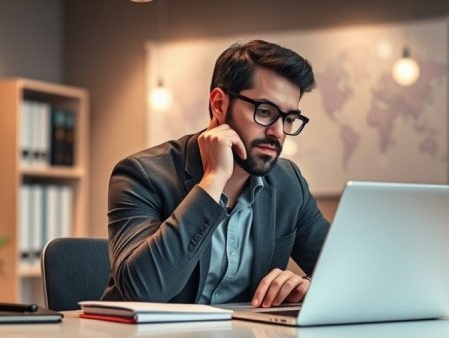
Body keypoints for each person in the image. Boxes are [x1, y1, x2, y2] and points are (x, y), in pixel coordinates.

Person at [101, 40, 330, 308]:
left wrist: (311, 286)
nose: (278, 132)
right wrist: (213, 180)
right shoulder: (141, 175)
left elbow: (348, 272)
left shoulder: (288, 183)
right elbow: (142, 291)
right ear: (219, 104)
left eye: (289, 118)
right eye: (265, 112)